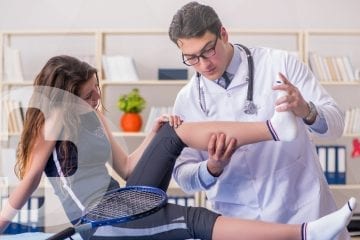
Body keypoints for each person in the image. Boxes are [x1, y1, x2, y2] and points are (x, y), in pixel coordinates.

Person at [0, 55, 354, 240]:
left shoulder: (94, 118)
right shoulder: (53, 124)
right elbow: (30, 180)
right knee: (195, 220)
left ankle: (275, 129)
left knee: (172, 131)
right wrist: (2, 221)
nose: (96, 100)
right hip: (103, 223)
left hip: (123, 200)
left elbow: (126, 168)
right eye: (88, 95)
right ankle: (307, 233)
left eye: (97, 90)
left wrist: (153, 135)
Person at [168, 1, 349, 239]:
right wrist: (212, 167)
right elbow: (184, 176)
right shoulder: (187, 99)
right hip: (240, 221)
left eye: (208, 51)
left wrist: (307, 110)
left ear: (223, 34)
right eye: (191, 58)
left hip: (303, 208)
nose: (203, 64)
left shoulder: (280, 64)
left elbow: (335, 126)